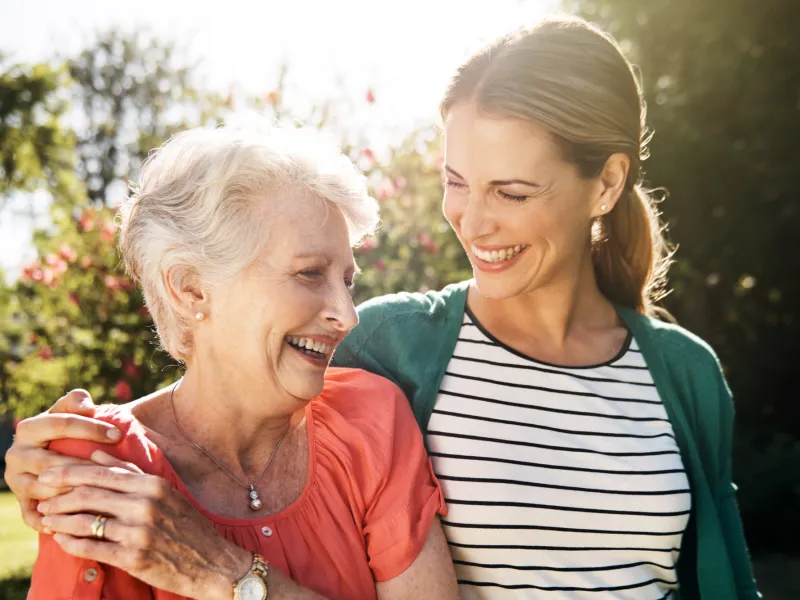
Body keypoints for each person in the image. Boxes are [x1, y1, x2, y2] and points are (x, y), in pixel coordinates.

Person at [5, 16, 759, 600]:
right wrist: (68, 448)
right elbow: (234, 388)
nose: (472, 220)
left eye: (514, 192)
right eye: (457, 180)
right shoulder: (398, 349)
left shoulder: (684, 374)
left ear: (605, 185)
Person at [8, 124, 458, 600]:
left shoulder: (369, 420)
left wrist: (227, 573)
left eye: (346, 280)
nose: (346, 315)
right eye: (309, 273)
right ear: (191, 288)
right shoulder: (105, 465)